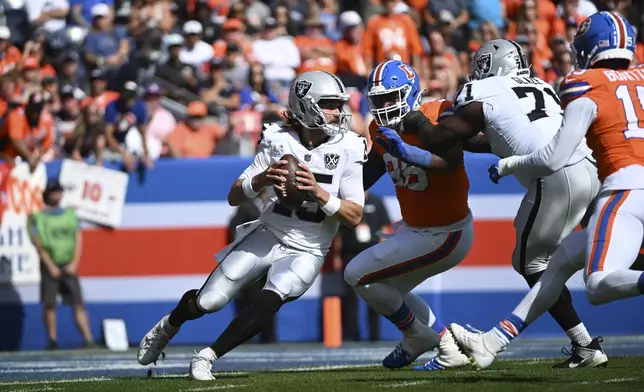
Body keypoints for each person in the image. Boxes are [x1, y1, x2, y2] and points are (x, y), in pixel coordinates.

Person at [377, 39, 607, 368]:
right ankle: (583, 345)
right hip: (588, 168)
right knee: (575, 259)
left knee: (534, 265)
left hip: (557, 177)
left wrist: (418, 123)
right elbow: (497, 138)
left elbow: (441, 138)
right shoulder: (541, 84)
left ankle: (557, 343)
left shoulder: (484, 90)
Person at [136, 71, 368, 380]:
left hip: (310, 247)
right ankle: (170, 324)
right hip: (269, 232)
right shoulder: (278, 138)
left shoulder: (350, 147)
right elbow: (234, 195)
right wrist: (260, 179)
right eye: (329, 104)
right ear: (306, 104)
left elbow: (354, 215)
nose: (338, 112)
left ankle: (207, 357)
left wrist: (318, 191)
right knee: (210, 300)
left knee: (271, 298)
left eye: (339, 105)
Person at [449, 11, 644, 369]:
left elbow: (554, 158)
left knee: (596, 283)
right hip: (611, 180)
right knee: (558, 263)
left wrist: (508, 165)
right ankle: (493, 342)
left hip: (623, 187)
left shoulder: (584, 82)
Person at [344, 59, 472, 371]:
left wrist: (406, 151)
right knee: (385, 288)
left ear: (411, 92)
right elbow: (367, 175)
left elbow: (451, 160)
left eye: (392, 96)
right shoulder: (378, 128)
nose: (385, 105)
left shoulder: (439, 112)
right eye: (379, 100)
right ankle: (446, 343)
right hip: (417, 230)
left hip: (446, 231)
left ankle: (416, 335)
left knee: (356, 274)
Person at [29, 180, 95, 350]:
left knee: (78, 302)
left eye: (58, 191)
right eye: (53, 192)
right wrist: (50, 265)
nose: (56, 195)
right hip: (49, 264)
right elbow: (38, 244)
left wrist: (74, 262)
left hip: (68, 263)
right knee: (50, 303)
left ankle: (88, 338)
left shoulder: (70, 215)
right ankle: (52, 339)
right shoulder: (39, 217)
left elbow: (78, 239)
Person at [338, 191, 391, 341]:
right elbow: (338, 232)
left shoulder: (377, 201)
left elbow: (384, 228)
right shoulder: (346, 203)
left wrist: (383, 253)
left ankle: (374, 334)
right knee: (349, 296)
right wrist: (336, 255)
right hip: (350, 254)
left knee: (374, 294)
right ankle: (350, 333)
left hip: (372, 254)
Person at [227, 188, 276, 344]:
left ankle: (268, 336)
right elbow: (233, 229)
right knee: (249, 299)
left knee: (269, 298)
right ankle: (244, 337)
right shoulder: (246, 207)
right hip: (250, 260)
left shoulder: (272, 207)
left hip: (269, 260)